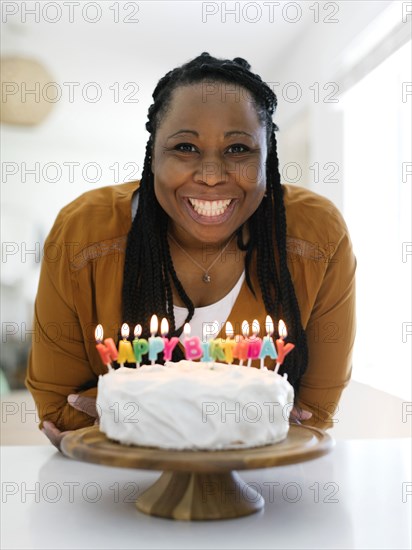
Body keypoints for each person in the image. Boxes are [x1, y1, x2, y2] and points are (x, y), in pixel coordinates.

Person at [26, 53, 356, 450]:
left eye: (238, 149)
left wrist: (128, 410)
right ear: (153, 157)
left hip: (268, 498)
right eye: (185, 146)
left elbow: (311, 418)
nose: (212, 175)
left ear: (268, 157)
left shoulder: (319, 236)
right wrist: (244, 414)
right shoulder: (81, 234)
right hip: (117, 496)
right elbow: (60, 413)